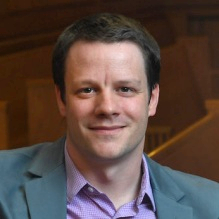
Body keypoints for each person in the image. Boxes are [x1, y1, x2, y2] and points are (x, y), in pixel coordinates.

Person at [0, 13, 218, 219]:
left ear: (152, 99)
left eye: (125, 89)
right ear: (61, 99)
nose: (107, 107)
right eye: (87, 90)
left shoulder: (211, 205)